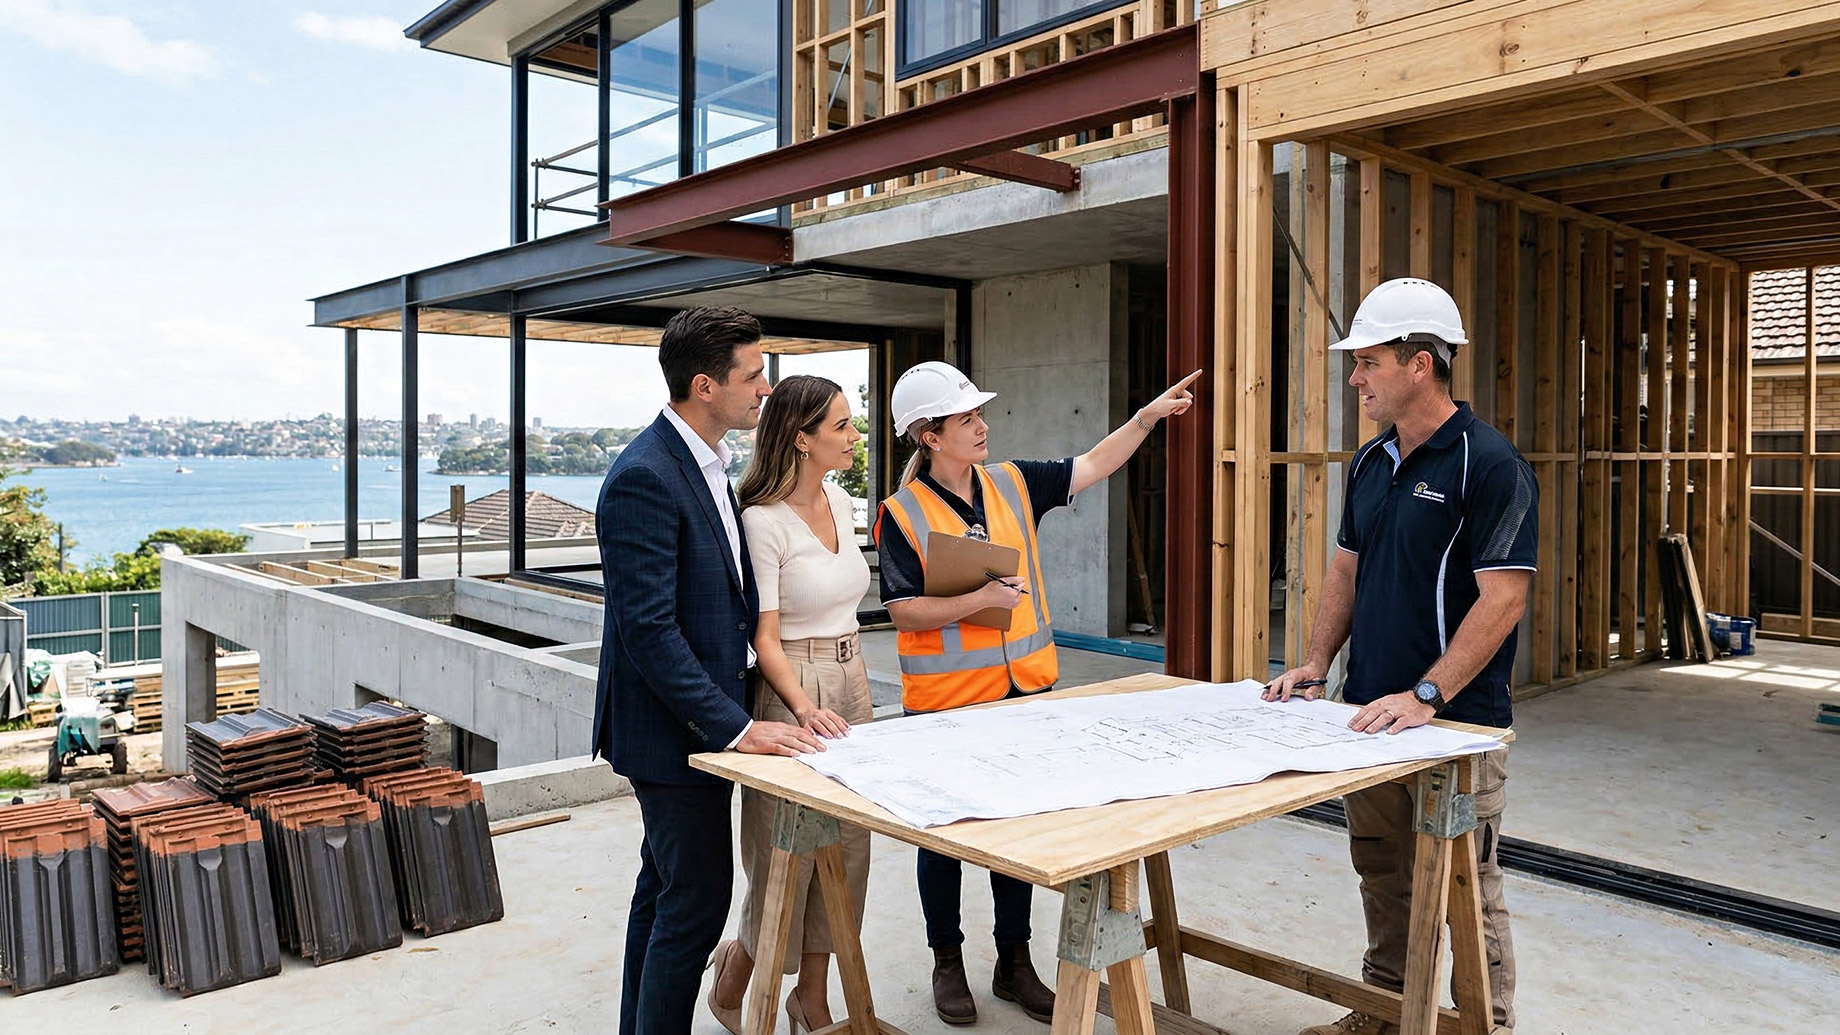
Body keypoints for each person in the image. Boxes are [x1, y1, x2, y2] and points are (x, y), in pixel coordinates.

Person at [874, 359, 1202, 1026]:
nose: (981, 425)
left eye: (977, 414)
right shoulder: (902, 513)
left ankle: (1013, 962)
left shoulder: (1013, 484)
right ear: (929, 435)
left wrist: (1146, 417)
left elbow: (1090, 465)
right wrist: (981, 599)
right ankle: (947, 962)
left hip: (1023, 699)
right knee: (942, 843)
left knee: (1016, 840)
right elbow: (903, 610)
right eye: (967, 418)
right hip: (943, 711)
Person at [1264, 278, 1535, 1035]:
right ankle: (1384, 1011)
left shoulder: (1490, 464)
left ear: (1421, 364)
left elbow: (1504, 598)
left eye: (1369, 362)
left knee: (1465, 886)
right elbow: (1345, 568)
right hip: (1365, 715)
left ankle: (1488, 1025)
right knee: (1382, 871)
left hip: (1455, 724)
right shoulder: (1371, 461)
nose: (1356, 378)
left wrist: (1428, 694)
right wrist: (1317, 663)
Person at [592, 306, 825, 1035]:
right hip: (672, 735)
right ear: (704, 385)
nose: (766, 390)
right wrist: (736, 725)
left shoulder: (710, 463)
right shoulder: (644, 476)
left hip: (697, 722)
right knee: (694, 906)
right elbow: (650, 632)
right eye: (754, 376)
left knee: (661, 891)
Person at [706, 375, 874, 1034]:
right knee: (786, 852)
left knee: (850, 844)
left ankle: (813, 993)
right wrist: (802, 705)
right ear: (801, 439)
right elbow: (763, 636)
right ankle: (740, 972)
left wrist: (840, 693)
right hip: (789, 687)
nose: (853, 436)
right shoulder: (761, 519)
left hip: (853, 674)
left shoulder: (841, 499)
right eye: (841, 425)